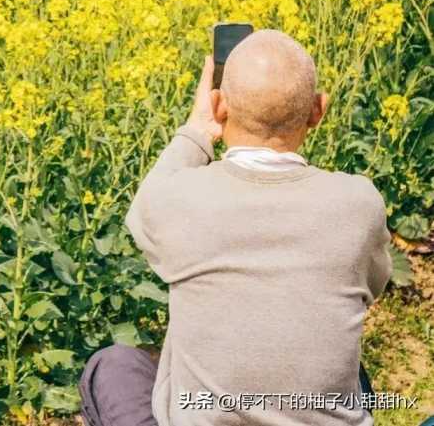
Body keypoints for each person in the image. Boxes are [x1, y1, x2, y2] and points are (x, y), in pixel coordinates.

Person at [78, 29, 394, 426]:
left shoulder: (180, 199)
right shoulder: (358, 204)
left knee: (113, 365)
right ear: (317, 110)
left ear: (218, 104)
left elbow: (142, 209)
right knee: (351, 377)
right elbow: (374, 285)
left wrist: (199, 128)